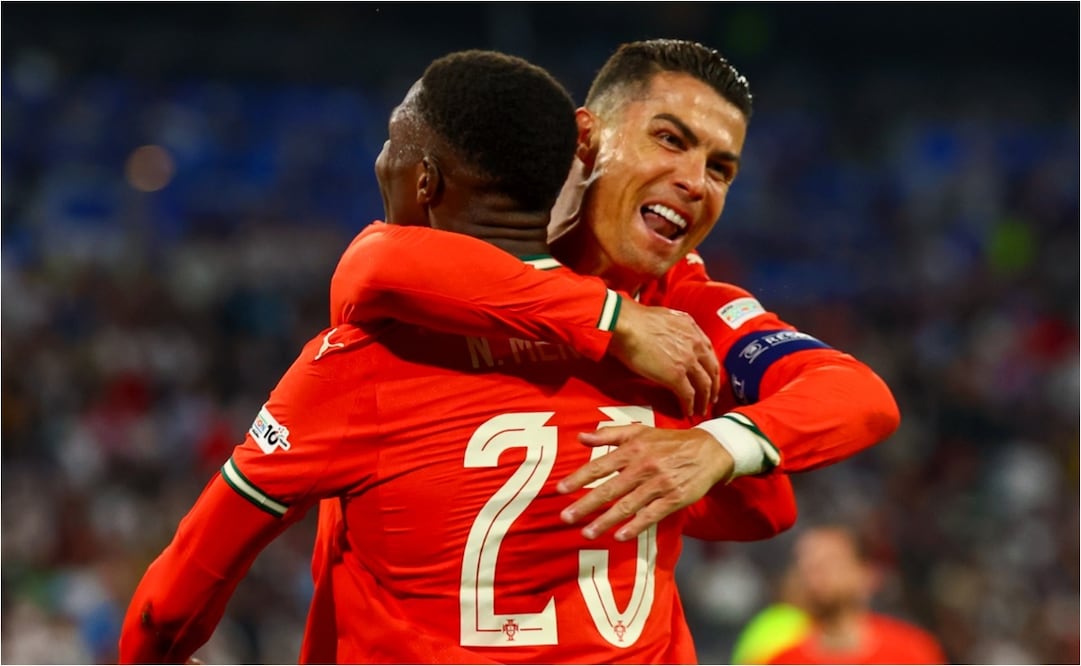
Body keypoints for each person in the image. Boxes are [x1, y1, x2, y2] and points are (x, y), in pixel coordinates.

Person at [118, 49, 797, 665]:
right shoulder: (655, 354)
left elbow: (175, 594)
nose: (381, 161)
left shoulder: (364, 359)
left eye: (394, 146)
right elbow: (767, 510)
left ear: (424, 182)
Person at [330, 38, 901, 543]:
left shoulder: (687, 306)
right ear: (586, 137)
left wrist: (717, 446)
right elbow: (373, 266)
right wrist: (613, 320)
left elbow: (857, 397)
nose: (696, 182)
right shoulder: (484, 229)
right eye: (670, 139)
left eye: (721, 169)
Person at [764, 525, 947, 664]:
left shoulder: (912, 652)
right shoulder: (783, 660)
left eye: (830, 562)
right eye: (807, 565)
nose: (815, 574)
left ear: (865, 573)